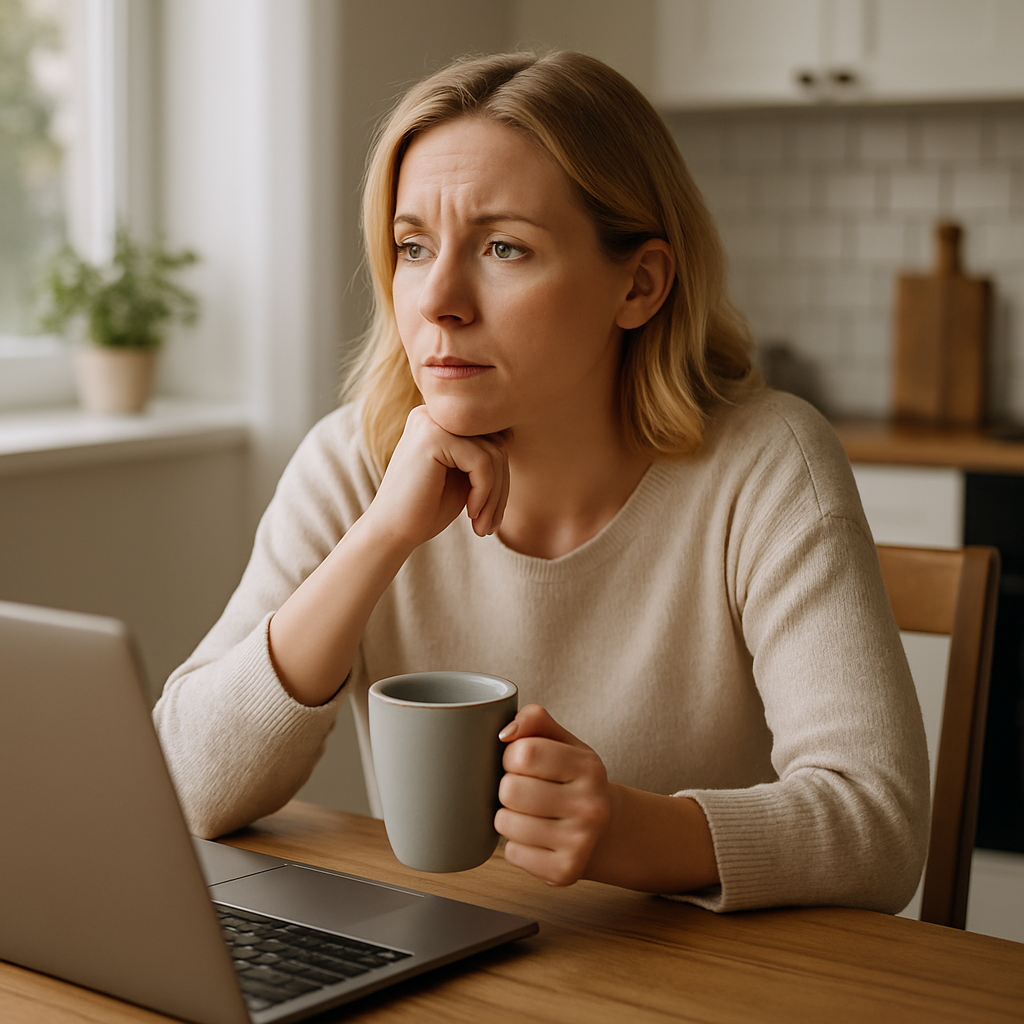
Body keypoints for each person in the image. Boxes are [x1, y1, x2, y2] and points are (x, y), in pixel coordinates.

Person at [154, 51, 929, 913]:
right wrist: (379, 537)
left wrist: (632, 832)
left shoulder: (767, 465)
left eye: (503, 247)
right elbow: (184, 787)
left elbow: (881, 828)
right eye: (413, 246)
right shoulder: (355, 460)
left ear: (639, 284)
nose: (439, 299)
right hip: (441, 970)